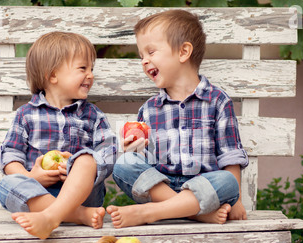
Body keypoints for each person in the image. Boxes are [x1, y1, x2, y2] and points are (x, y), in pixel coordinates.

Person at [107, 10, 249, 228]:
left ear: (184, 52)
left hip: (206, 187)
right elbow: (146, 165)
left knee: (228, 181)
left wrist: (237, 200)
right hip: (164, 186)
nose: (144, 61)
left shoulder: (217, 101)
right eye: (141, 56)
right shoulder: (149, 110)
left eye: (151, 52)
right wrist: (133, 151)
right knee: (124, 163)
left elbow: (230, 156)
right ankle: (192, 213)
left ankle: (152, 212)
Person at [0, 32, 116, 239]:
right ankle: (79, 216)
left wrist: (78, 166)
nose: (90, 75)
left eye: (91, 69)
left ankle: (56, 215)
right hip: (38, 194)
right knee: (7, 185)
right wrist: (31, 177)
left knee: (88, 159)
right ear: (53, 75)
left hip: (83, 195)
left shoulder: (92, 115)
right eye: (83, 68)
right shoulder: (27, 114)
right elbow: (10, 154)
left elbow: (109, 151)